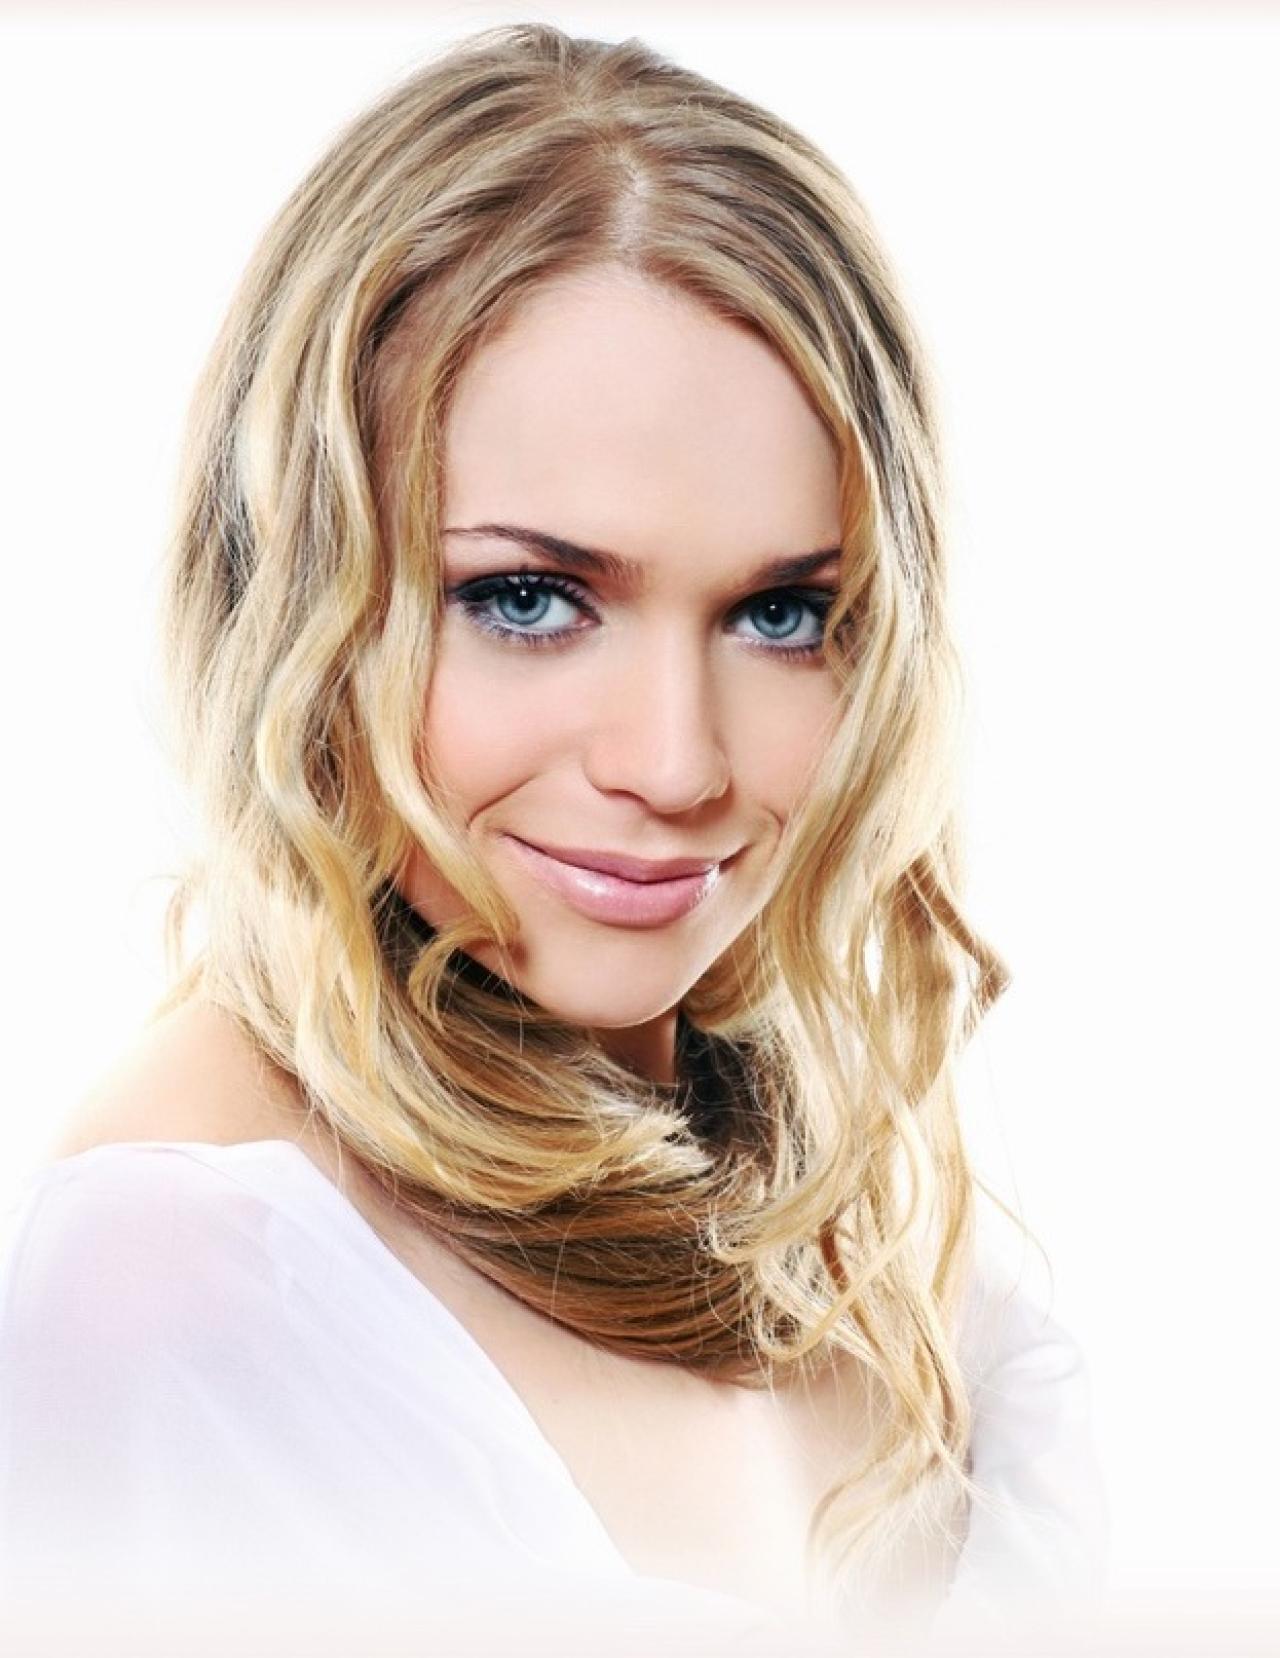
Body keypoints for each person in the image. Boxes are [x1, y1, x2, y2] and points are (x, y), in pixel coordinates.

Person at [0, 22, 1108, 1657]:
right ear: (296, 596)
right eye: (528, 599)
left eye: (782, 613)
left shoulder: (896, 1253)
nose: (674, 763)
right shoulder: (175, 1285)